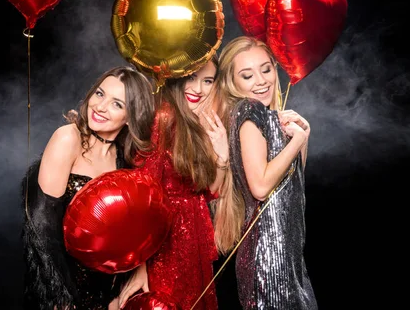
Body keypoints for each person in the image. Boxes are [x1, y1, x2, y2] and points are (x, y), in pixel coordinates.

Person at [21, 66, 156, 310]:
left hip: (105, 289)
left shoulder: (122, 158)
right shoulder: (68, 138)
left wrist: (138, 268)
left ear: (130, 116)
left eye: (117, 104)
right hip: (61, 286)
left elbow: (128, 228)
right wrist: (60, 298)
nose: (101, 106)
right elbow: (41, 227)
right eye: (100, 94)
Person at [116, 56, 229, 310]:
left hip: (194, 236)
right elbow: (142, 198)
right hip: (164, 243)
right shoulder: (163, 117)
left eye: (207, 81)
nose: (198, 89)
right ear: (178, 76)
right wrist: (140, 267)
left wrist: (222, 155)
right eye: (191, 77)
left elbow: (210, 192)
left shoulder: (198, 120)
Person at [214, 36, 318, 309]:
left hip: (289, 250)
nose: (261, 81)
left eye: (266, 69)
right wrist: (297, 141)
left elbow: (291, 184)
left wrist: (300, 138)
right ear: (232, 83)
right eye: (247, 75)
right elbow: (260, 187)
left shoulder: (269, 116)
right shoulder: (249, 111)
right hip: (268, 253)